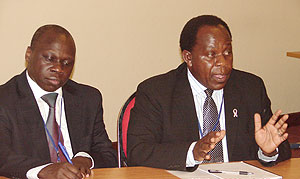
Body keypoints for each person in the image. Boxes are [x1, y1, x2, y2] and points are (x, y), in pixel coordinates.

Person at [127, 15, 291, 171]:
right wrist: (192, 152)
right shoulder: (156, 92)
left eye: (227, 53)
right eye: (211, 55)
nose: (223, 64)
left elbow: (277, 145)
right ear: (188, 58)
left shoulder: (250, 88)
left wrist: (268, 152)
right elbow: (139, 151)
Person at [0, 24, 117, 179]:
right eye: (50, 59)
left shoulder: (88, 99)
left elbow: (107, 153)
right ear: (29, 55)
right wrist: (45, 170)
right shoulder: (4, 100)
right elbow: (3, 156)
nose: (59, 68)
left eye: (67, 63)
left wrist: (85, 158)